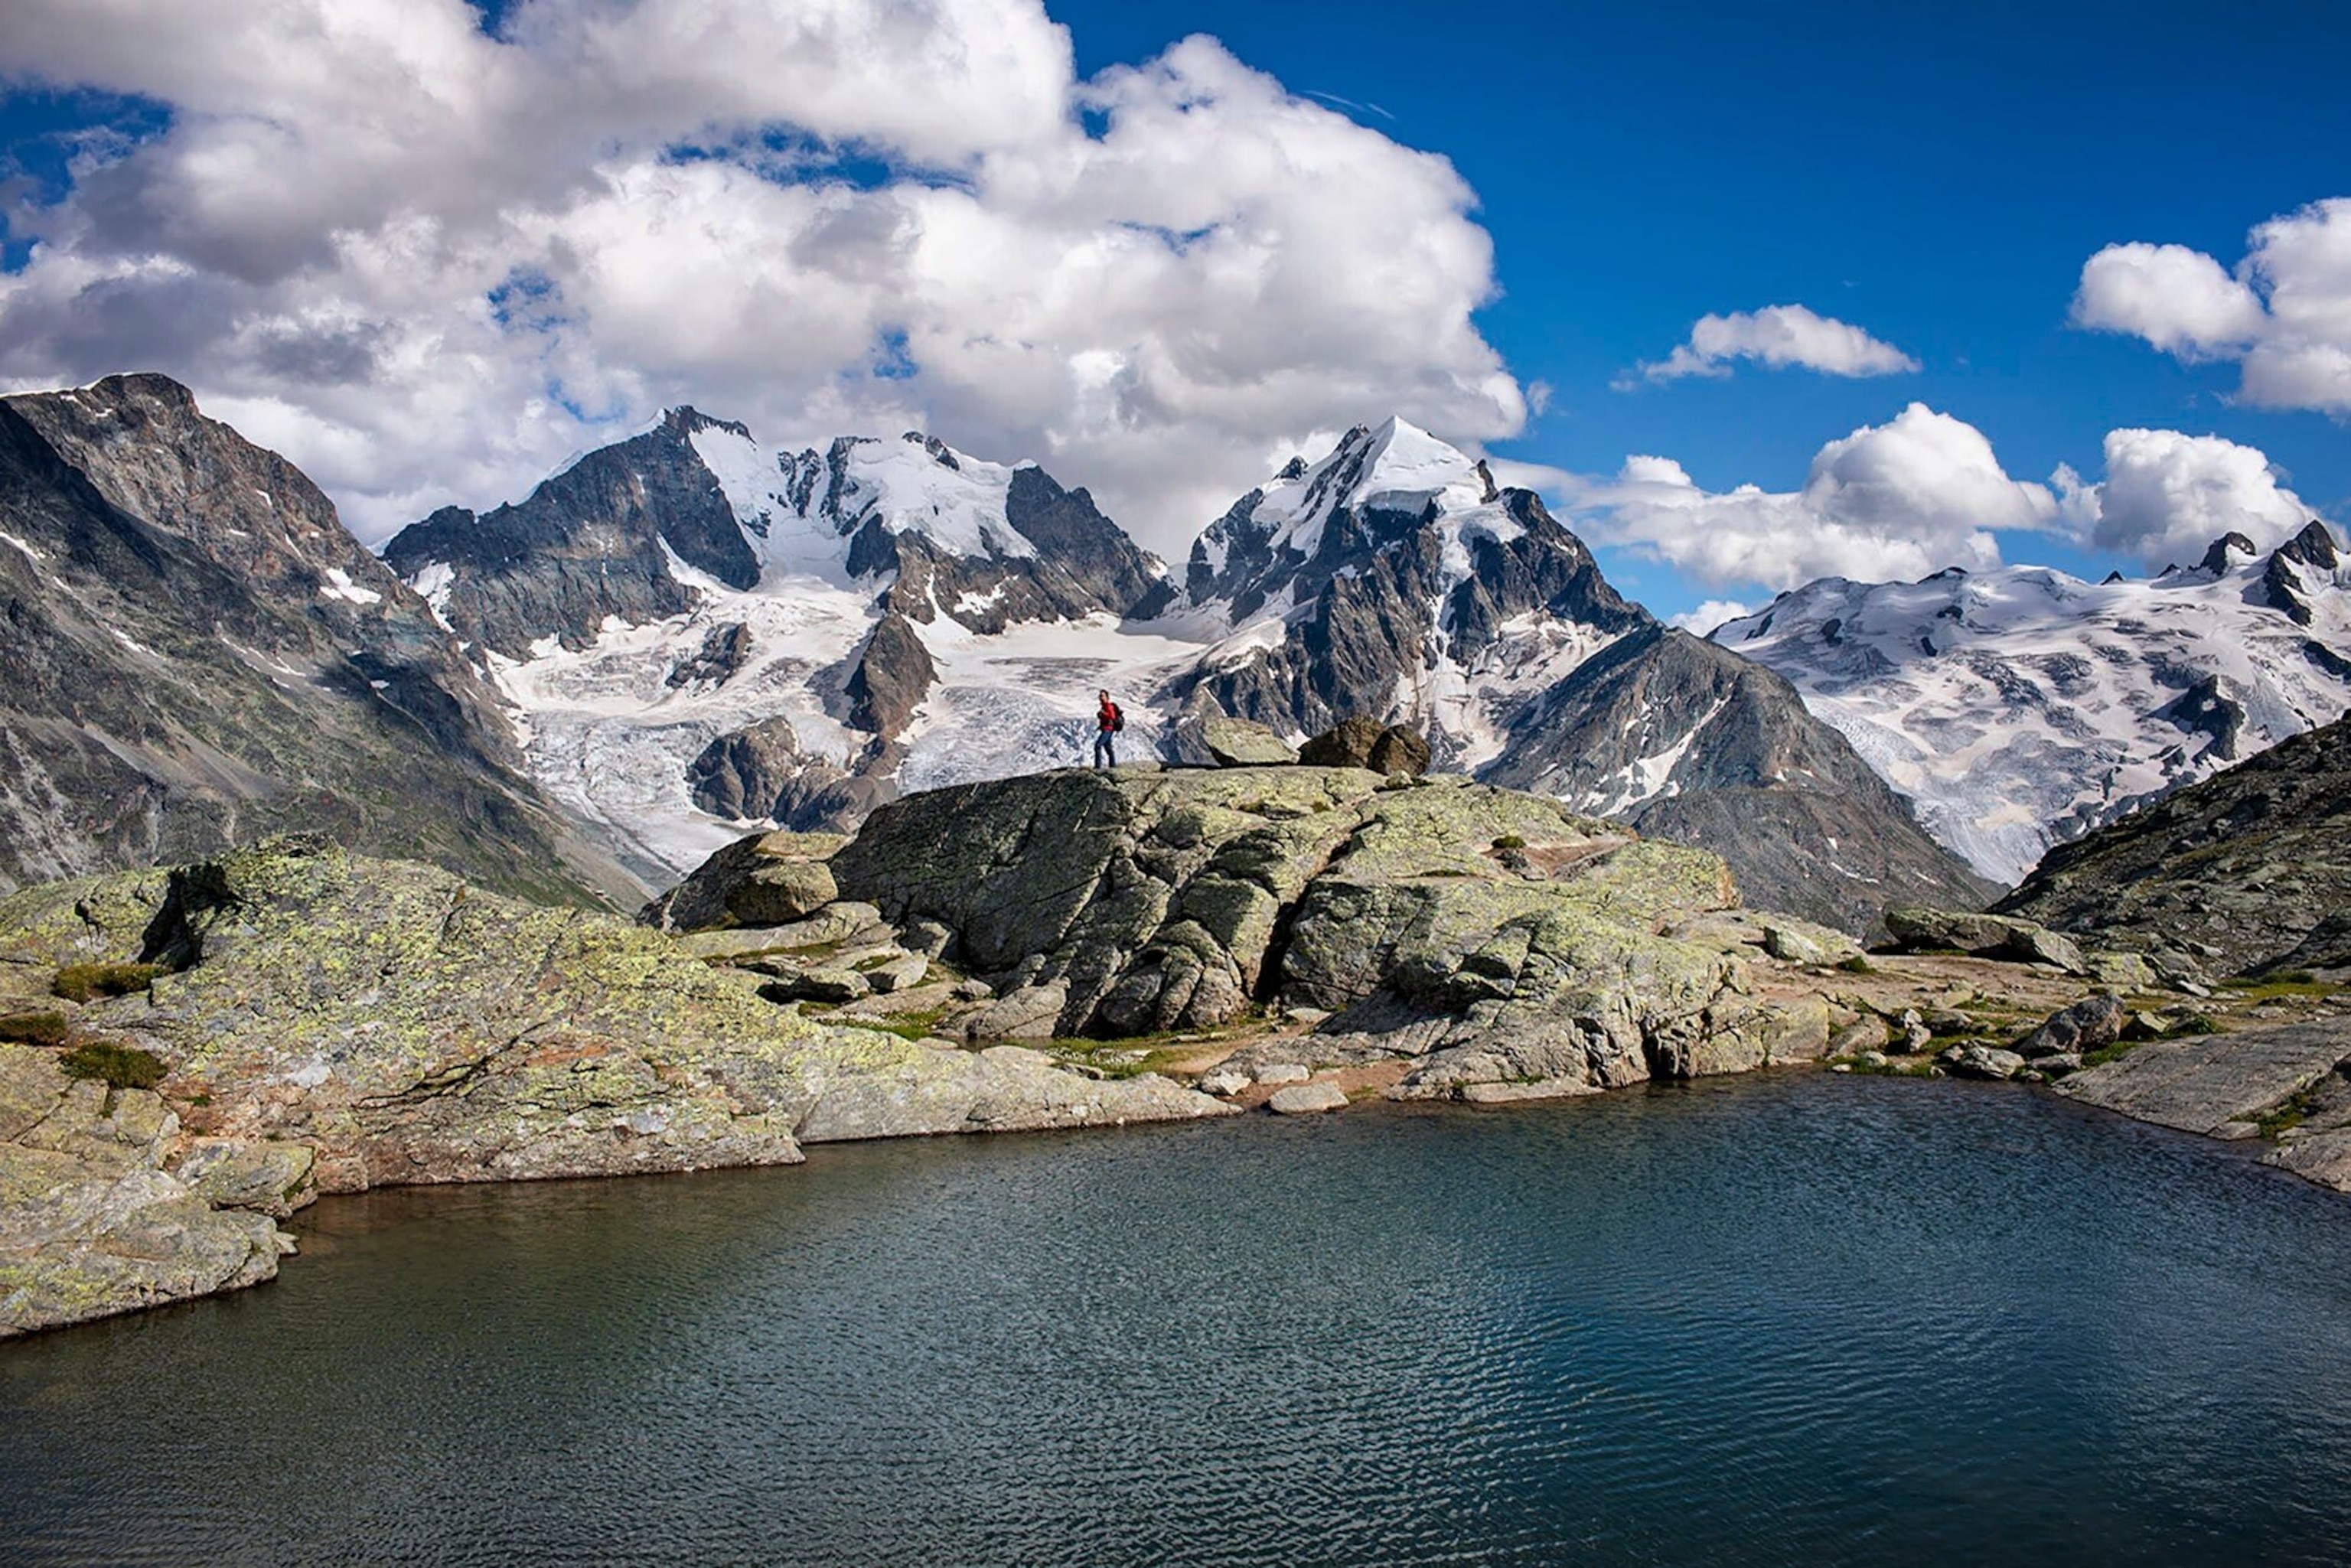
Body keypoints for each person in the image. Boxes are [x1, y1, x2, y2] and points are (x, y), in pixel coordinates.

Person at [1093, 688, 1122, 769]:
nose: (1101, 697)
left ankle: (1098, 767)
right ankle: (1112, 765)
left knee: (1098, 745)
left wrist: (1103, 713)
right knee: (1108, 748)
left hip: (1108, 729)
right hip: (1106, 728)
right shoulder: (1104, 707)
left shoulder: (1108, 706)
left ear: (1107, 697)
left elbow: (1112, 716)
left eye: (1102, 696)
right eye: (1100, 696)